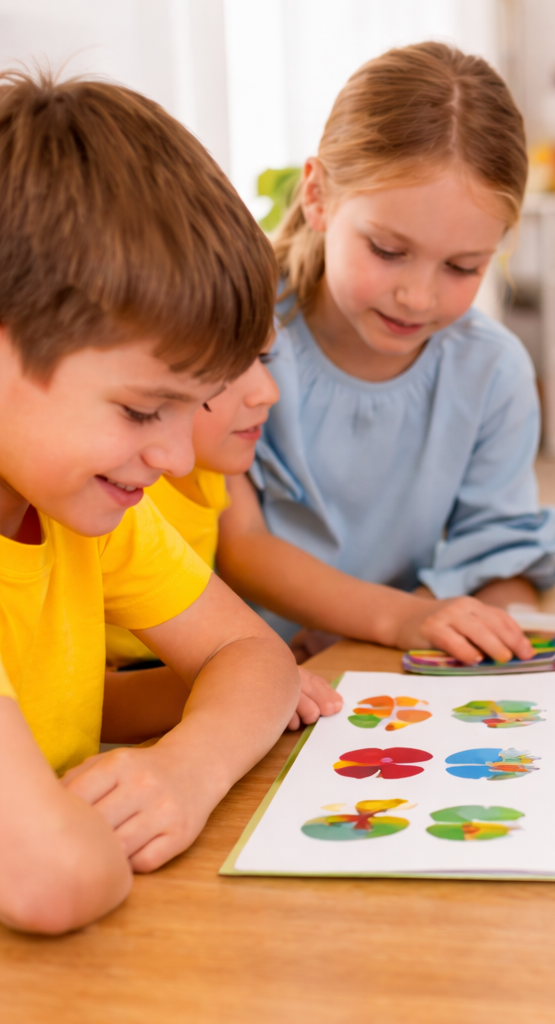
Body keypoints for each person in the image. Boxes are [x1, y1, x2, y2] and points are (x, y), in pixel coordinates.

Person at [0, 72, 302, 935]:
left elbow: (256, 656)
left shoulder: (77, 507)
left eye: (188, 409)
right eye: (141, 410)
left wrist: (185, 772)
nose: (173, 458)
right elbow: (52, 880)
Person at [216, 42, 555, 667]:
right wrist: (399, 618)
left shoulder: (492, 370)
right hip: (229, 663)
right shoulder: (239, 330)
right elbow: (239, 546)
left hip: (377, 660)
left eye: (463, 266)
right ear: (318, 196)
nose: (418, 295)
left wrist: (419, 620)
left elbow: (501, 554)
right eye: (387, 249)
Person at [103, 340, 343, 743]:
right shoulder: (111, 497)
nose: (268, 390)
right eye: (221, 369)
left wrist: (250, 678)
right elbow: (87, 704)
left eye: (262, 357)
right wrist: (236, 688)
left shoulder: (211, 463)